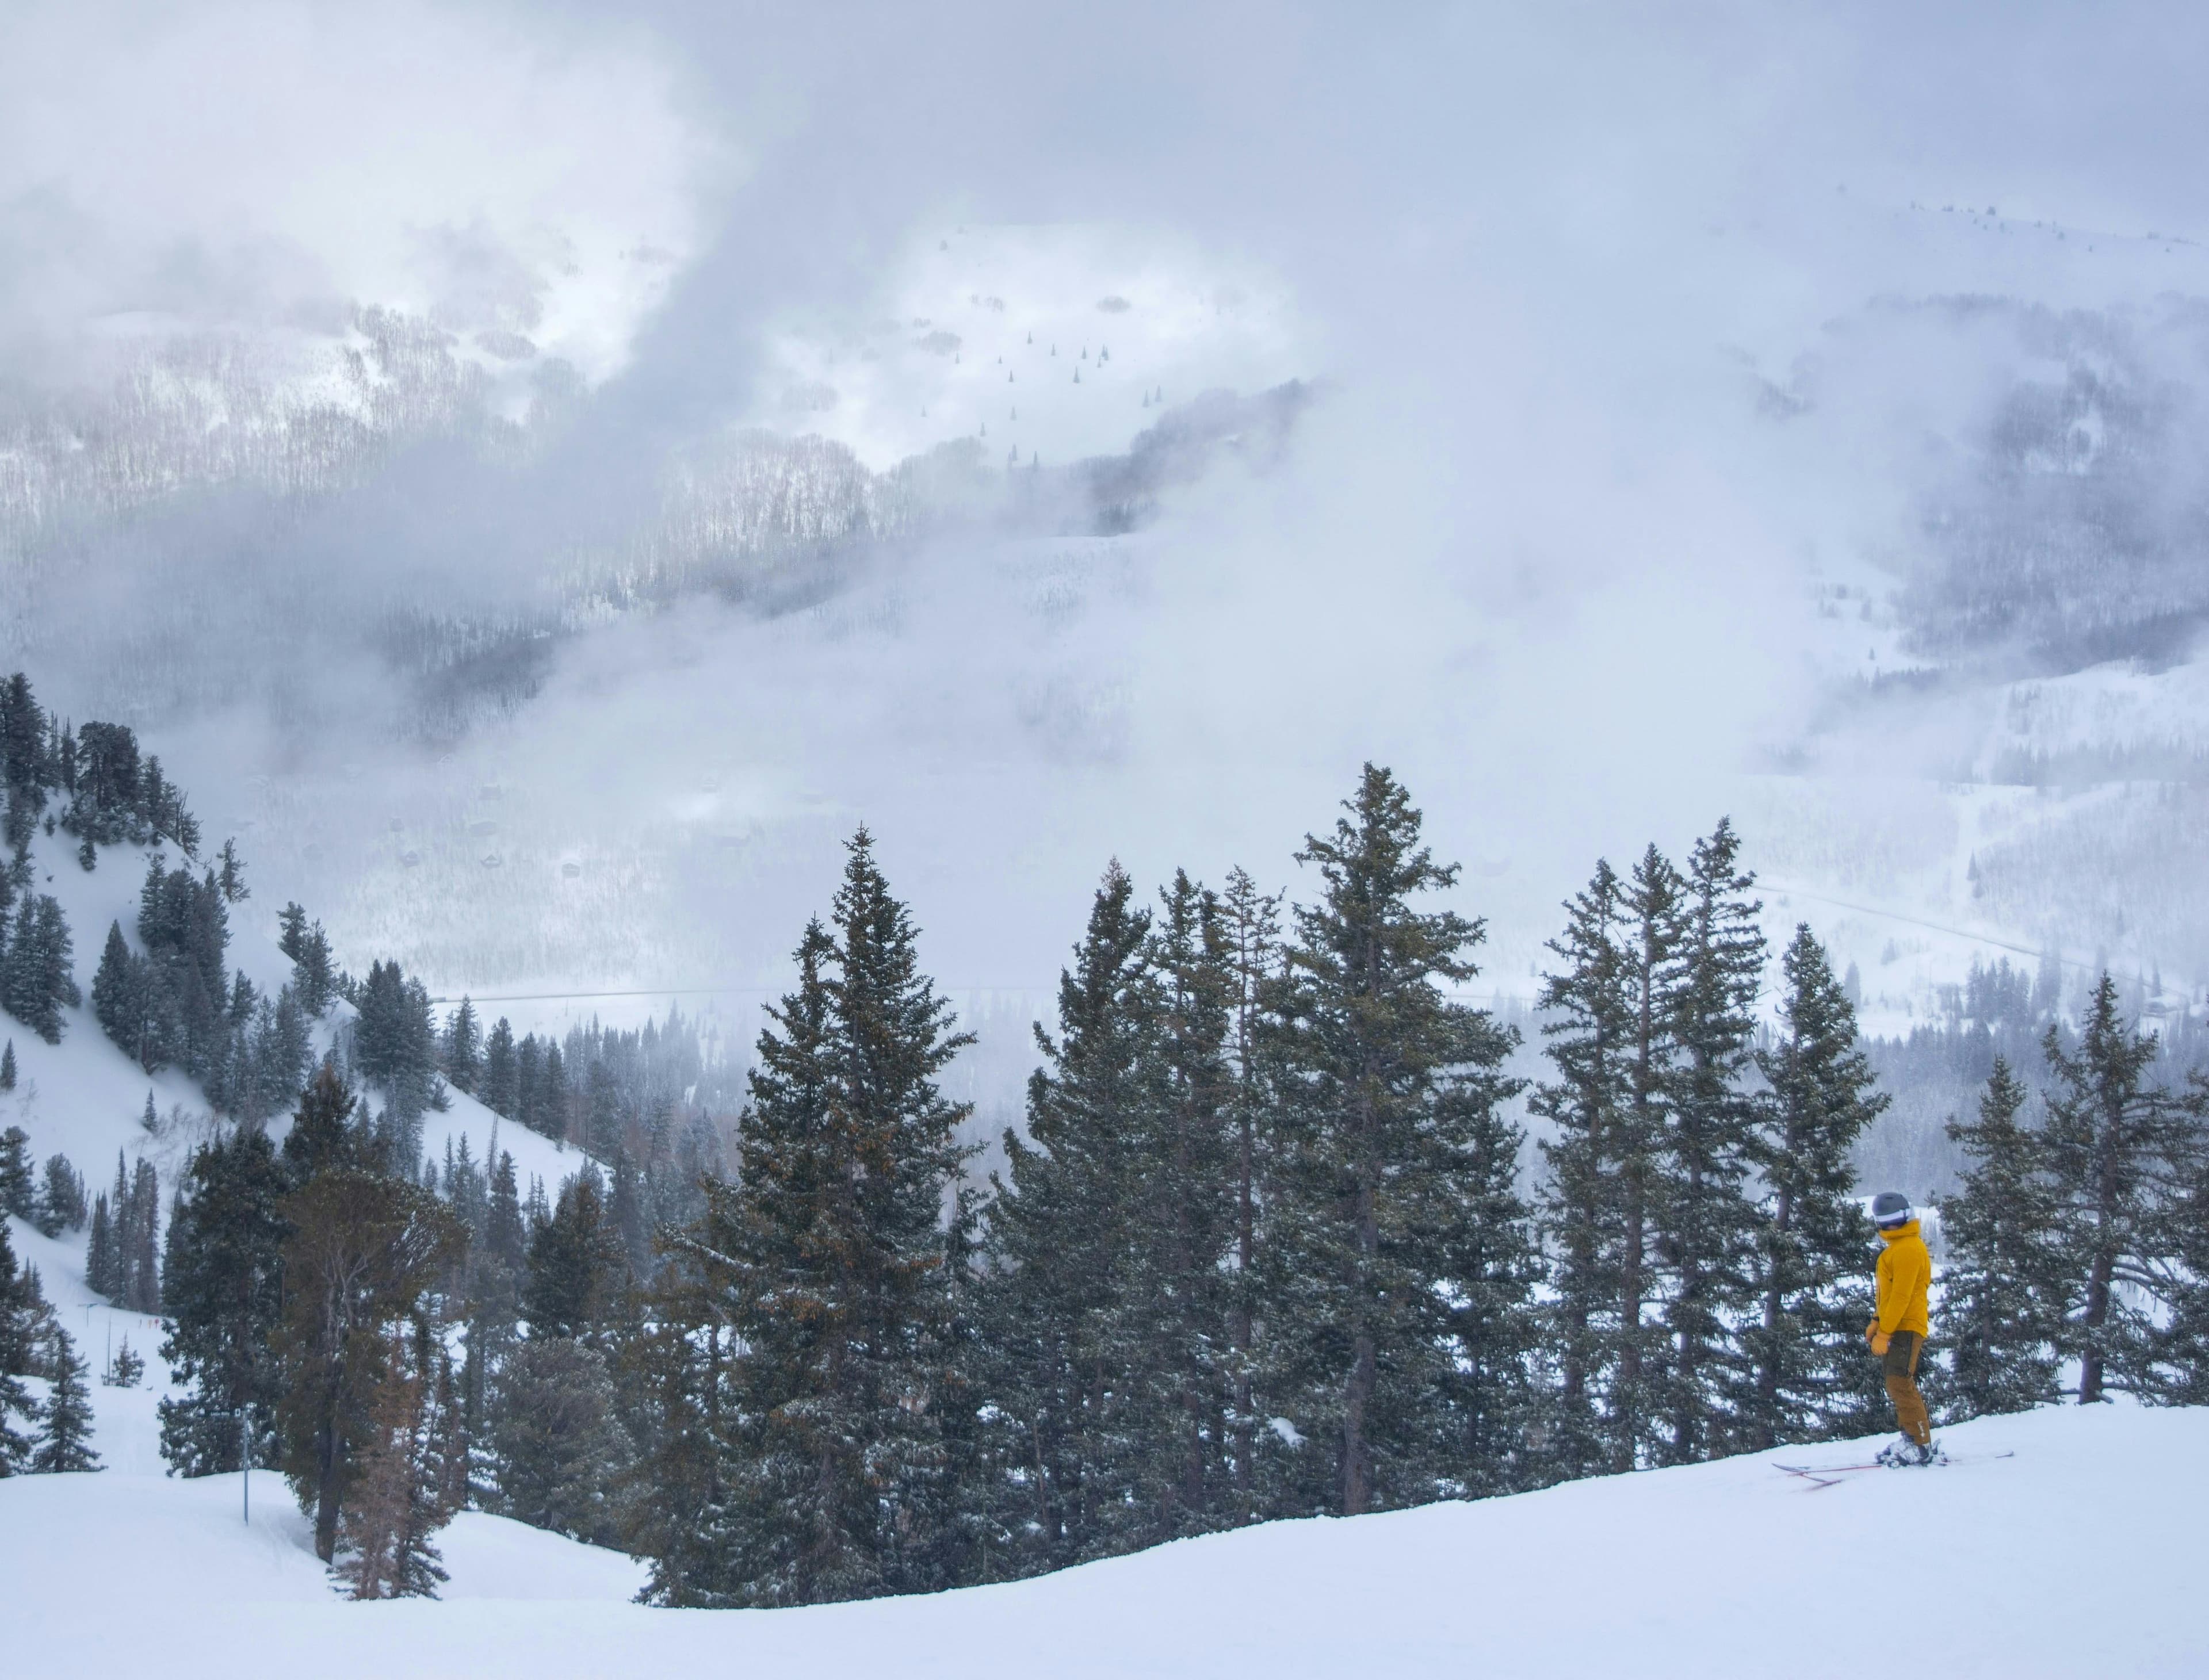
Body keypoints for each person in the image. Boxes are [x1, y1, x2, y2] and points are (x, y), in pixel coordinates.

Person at [1868, 1191, 1936, 1466]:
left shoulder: (1908, 1248)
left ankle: (1920, 1444)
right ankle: (1910, 1437)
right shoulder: (1897, 1249)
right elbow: (1888, 1294)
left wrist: (1885, 1332)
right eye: (1887, 1221)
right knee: (1896, 1383)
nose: (1892, 1226)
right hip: (1897, 1325)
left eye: (1896, 1220)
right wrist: (1877, 1320)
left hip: (1905, 1327)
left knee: (1900, 1382)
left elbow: (1902, 1296)